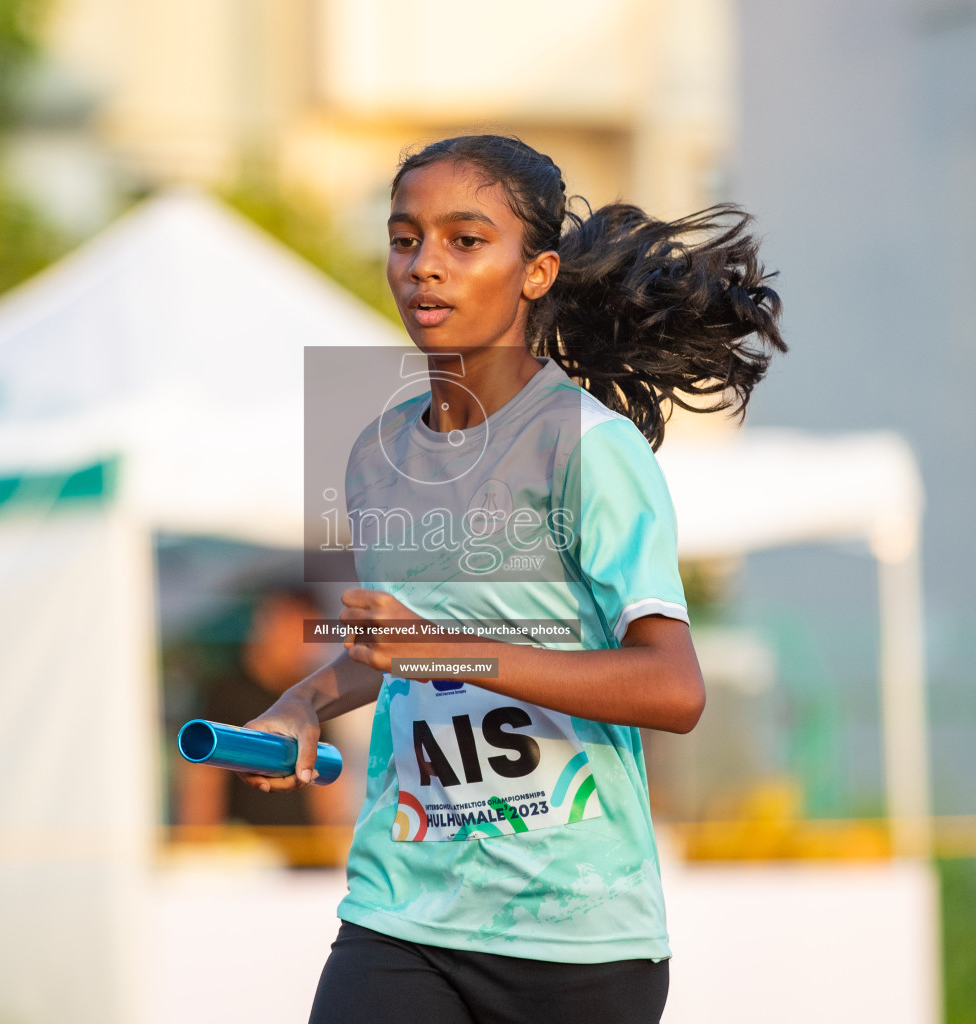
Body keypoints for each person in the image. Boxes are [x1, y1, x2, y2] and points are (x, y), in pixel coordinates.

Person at [239, 134, 785, 1024]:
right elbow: (397, 647)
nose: (425, 268)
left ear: (535, 274)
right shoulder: (374, 456)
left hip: (574, 936)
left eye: (465, 240)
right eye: (405, 238)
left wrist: (448, 650)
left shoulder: (590, 449)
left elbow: (673, 688)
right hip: (405, 908)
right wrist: (303, 703)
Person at [175, 586, 355, 828]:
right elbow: (202, 783)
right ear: (265, 624)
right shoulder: (226, 692)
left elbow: (327, 787)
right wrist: (201, 851)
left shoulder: (314, 700)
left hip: (302, 854)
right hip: (243, 851)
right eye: (290, 629)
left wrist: (332, 847)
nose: (299, 645)